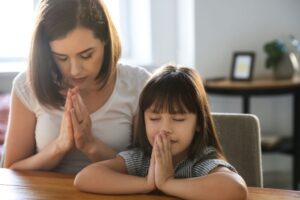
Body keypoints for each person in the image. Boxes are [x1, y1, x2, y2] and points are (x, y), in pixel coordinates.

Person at [2, 0, 150, 173]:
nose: (74, 71)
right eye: (62, 58)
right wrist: (59, 146)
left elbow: (149, 170)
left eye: (86, 55)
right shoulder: (27, 86)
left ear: (105, 41)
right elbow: (10, 170)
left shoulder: (137, 84)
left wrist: (91, 146)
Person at [74, 64, 248, 200]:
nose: (165, 129)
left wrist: (166, 183)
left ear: (199, 123)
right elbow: (84, 178)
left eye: (178, 119)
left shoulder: (200, 160)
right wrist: (147, 183)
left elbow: (236, 189)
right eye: (154, 119)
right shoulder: (141, 158)